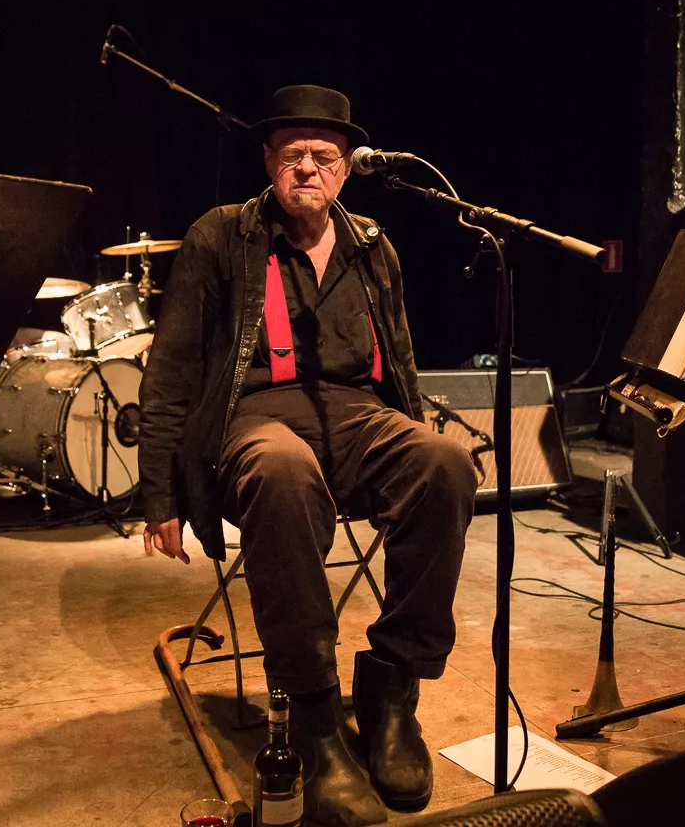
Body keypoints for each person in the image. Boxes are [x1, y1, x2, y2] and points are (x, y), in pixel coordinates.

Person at [134, 84, 477, 826]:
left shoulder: (372, 245)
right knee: (282, 469)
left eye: (324, 155)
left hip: (356, 417)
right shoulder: (221, 235)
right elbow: (170, 368)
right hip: (251, 418)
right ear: (268, 161)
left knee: (445, 463)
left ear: (347, 167)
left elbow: (402, 361)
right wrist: (159, 491)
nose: (308, 168)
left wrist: (414, 432)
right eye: (292, 154)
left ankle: (392, 691)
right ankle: (315, 719)